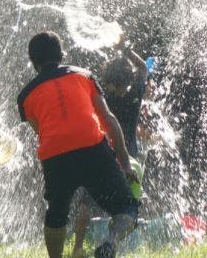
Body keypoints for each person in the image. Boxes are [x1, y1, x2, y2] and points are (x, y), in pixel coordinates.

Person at [17, 31, 140, 258]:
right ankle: (111, 242)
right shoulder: (84, 76)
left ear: (32, 61)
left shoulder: (25, 96)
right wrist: (125, 164)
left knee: (56, 215)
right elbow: (109, 120)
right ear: (62, 54)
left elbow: (42, 131)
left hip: (55, 156)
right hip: (93, 148)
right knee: (127, 208)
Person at [70, 37, 149, 258]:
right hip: (129, 161)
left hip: (100, 155)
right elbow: (143, 67)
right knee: (128, 207)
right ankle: (111, 241)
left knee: (86, 201)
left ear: (107, 79)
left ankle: (77, 248)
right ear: (129, 79)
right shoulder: (135, 92)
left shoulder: (100, 96)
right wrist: (125, 49)